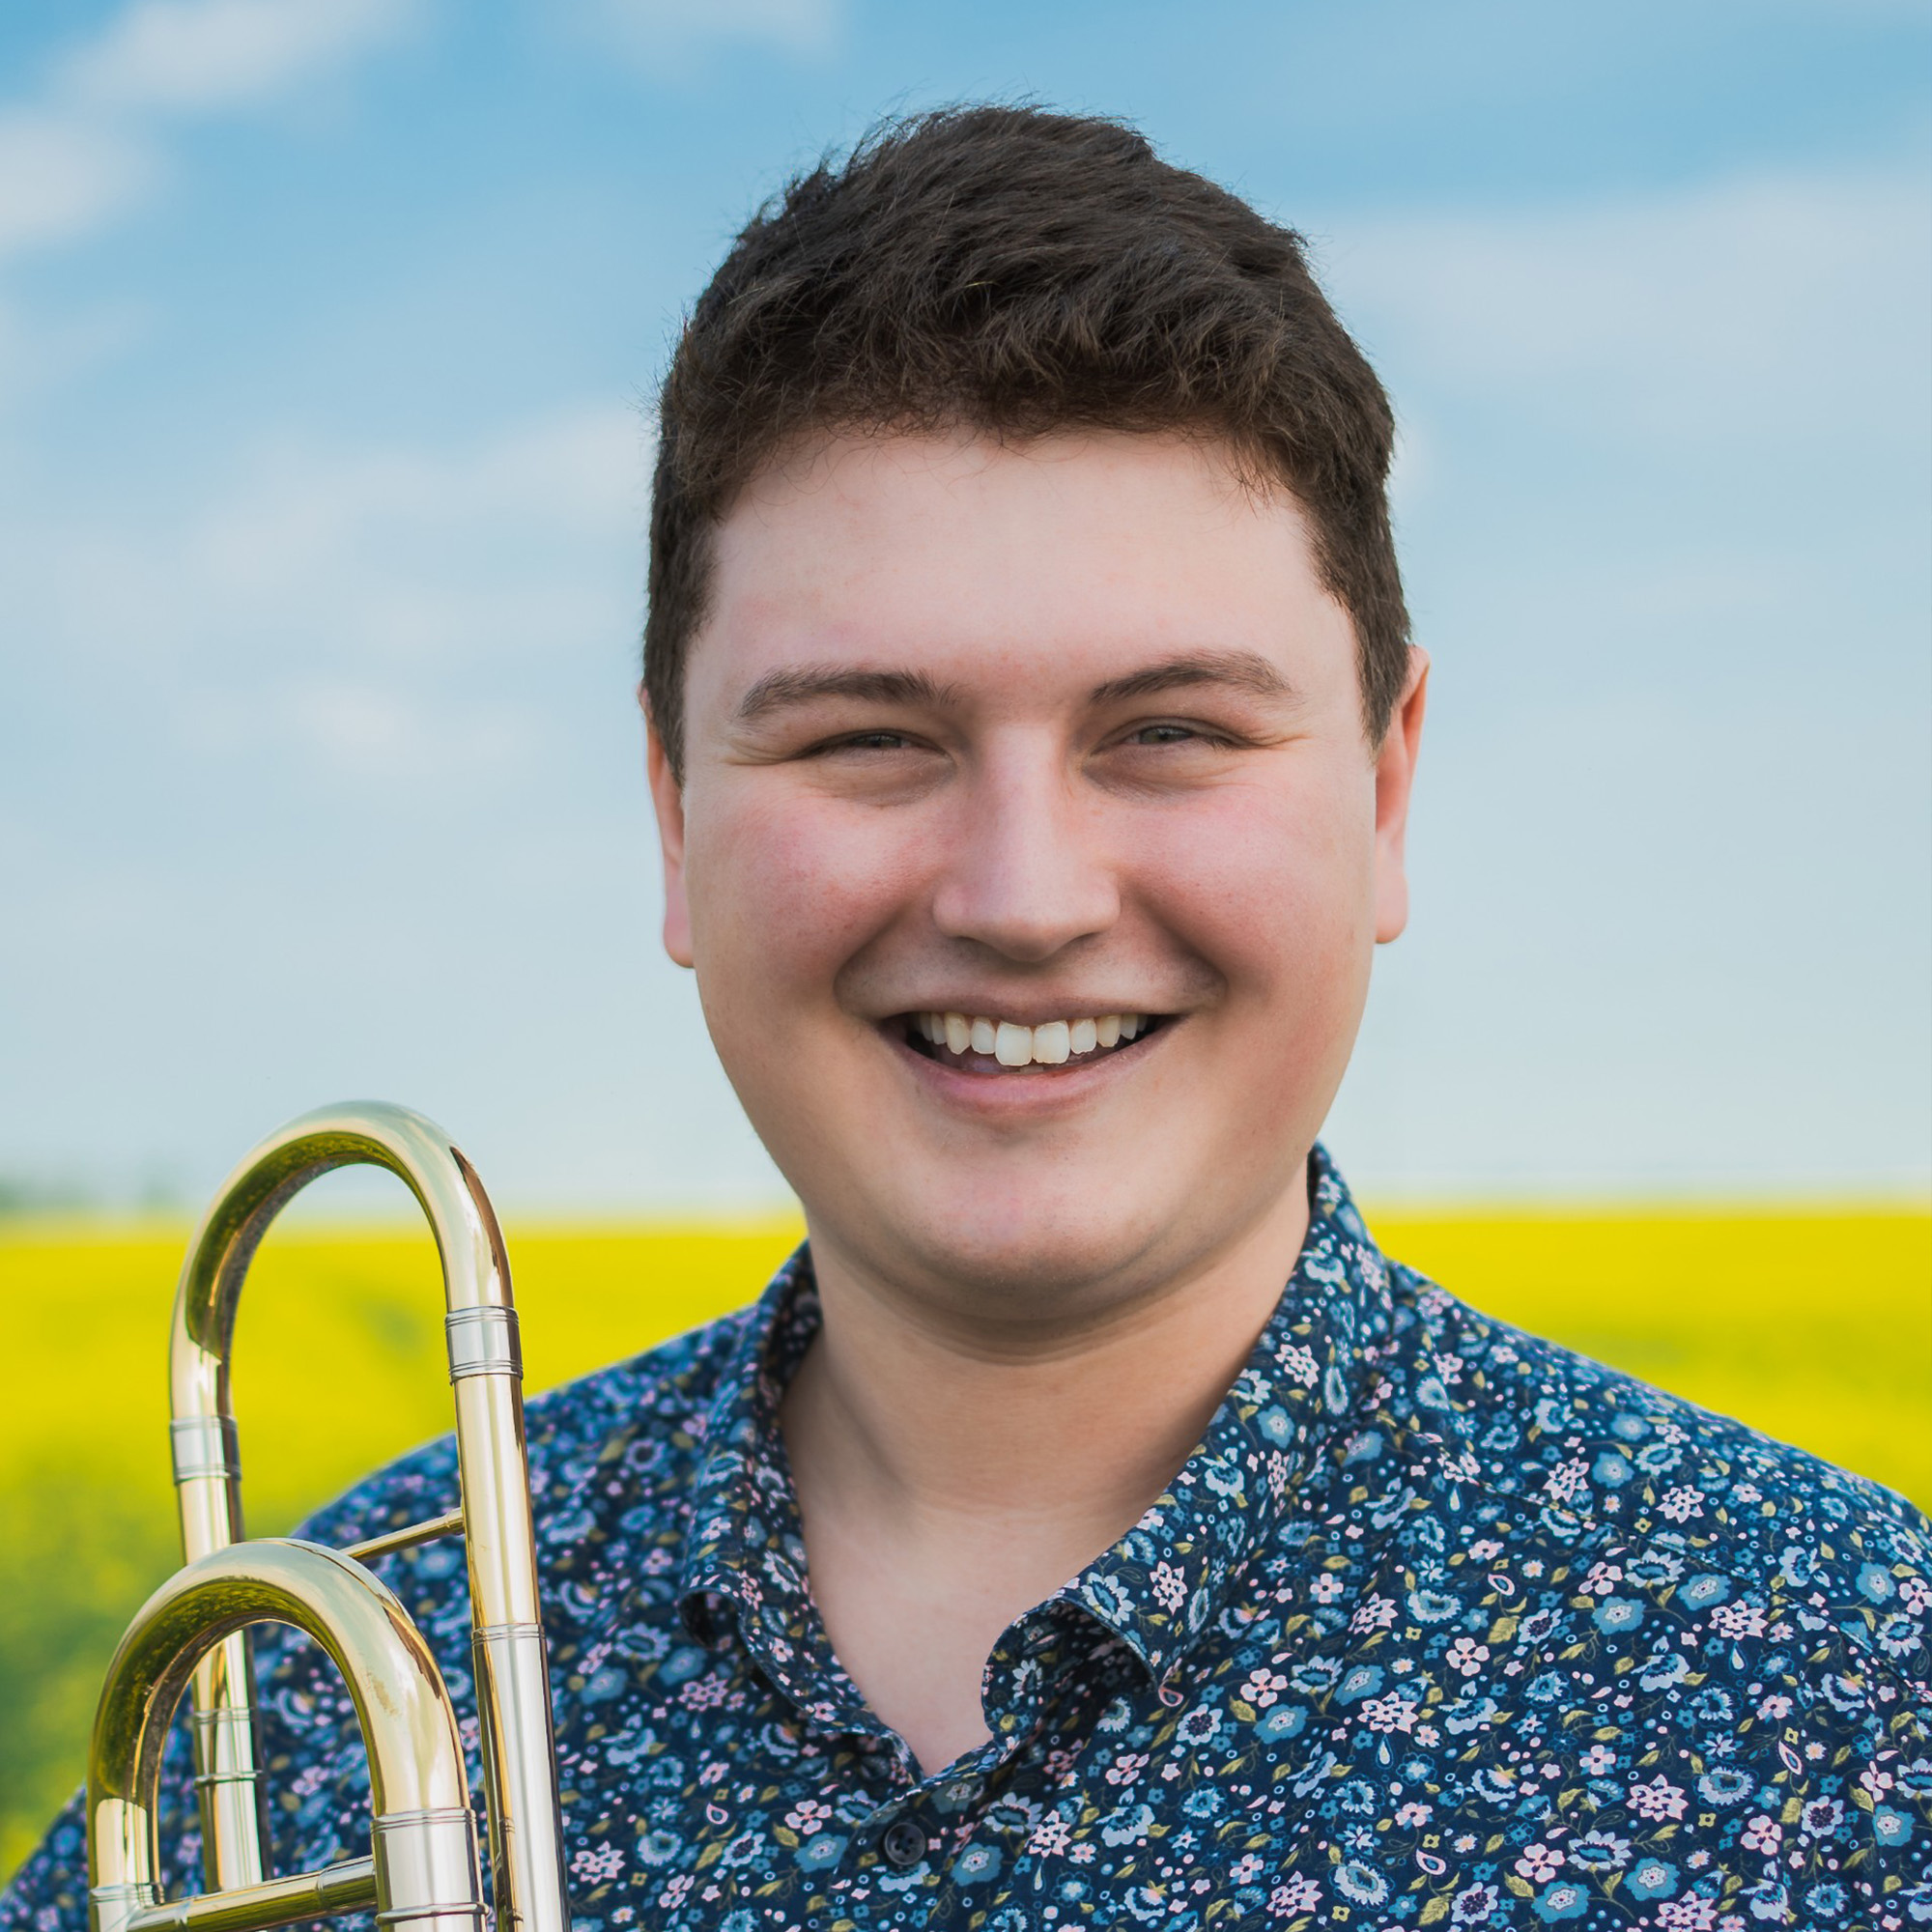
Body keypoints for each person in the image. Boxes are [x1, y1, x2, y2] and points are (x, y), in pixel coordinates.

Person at [5, 103, 1928, 1932]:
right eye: (868, 740)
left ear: (1386, 790)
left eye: (1169, 732)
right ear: (675, 811)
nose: (1022, 896)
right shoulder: (297, 1716)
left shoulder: (1855, 1706)